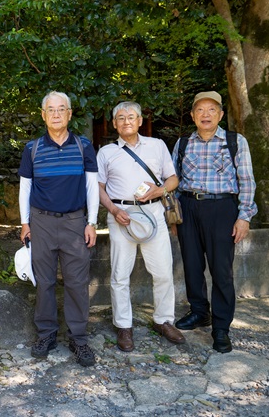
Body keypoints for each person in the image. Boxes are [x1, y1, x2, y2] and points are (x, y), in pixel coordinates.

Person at [18, 91, 99, 367]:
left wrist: (92, 222)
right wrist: (25, 222)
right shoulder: (33, 149)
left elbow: (91, 185)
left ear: (69, 114)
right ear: (43, 115)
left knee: (77, 281)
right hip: (41, 221)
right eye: (50, 109)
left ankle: (78, 338)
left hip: (75, 221)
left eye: (61, 109)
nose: (55, 114)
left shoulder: (83, 146)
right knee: (44, 281)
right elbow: (25, 187)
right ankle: (47, 334)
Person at [172, 91, 257, 353]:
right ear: (192, 115)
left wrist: (244, 216)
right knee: (192, 265)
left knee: (221, 269)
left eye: (211, 110)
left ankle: (221, 326)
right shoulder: (183, 143)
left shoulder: (234, 141)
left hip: (222, 208)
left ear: (220, 114)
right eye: (200, 110)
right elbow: (173, 179)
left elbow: (247, 180)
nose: (205, 115)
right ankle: (199, 311)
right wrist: (174, 215)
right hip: (188, 207)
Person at [97, 101, 185, 352]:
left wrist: (159, 190)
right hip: (120, 214)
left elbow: (173, 178)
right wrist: (113, 210)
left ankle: (163, 320)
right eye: (120, 117)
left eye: (131, 117)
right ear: (114, 123)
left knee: (163, 271)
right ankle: (124, 326)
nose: (126, 121)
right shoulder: (106, 152)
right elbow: (98, 188)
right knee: (119, 274)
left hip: (154, 212)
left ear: (139, 121)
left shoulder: (156, 146)